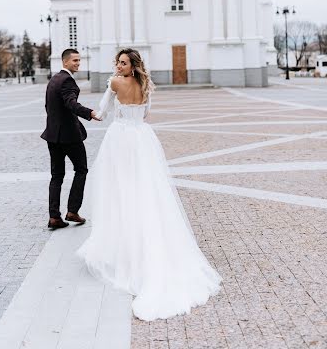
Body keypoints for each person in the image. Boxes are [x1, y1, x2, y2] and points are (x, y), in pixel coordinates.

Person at [78, 48, 221, 321]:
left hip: (120, 139)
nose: (118, 66)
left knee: (119, 191)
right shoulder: (145, 86)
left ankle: (123, 249)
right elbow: (145, 115)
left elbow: (103, 112)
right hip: (142, 139)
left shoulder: (113, 83)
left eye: (122, 63)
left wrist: (87, 112)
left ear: (132, 66)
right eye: (117, 63)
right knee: (146, 190)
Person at [41, 48, 100, 230]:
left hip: (53, 136)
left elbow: (48, 106)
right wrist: (89, 113)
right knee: (81, 169)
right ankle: (72, 211)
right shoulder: (67, 81)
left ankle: (54, 217)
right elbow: (71, 103)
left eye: (79, 60)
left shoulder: (54, 80)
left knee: (56, 176)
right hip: (69, 137)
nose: (78, 63)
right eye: (75, 60)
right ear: (65, 62)